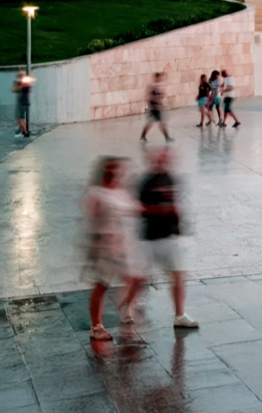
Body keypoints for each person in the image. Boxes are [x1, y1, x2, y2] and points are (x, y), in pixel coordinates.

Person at [84, 157, 145, 342]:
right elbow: (92, 219)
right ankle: (97, 326)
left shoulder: (121, 192)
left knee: (139, 277)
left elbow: (134, 210)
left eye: (119, 170)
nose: (117, 173)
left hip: (124, 246)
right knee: (102, 286)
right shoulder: (96, 193)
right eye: (113, 170)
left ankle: (125, 305)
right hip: (105, 249)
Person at [138, 148, 199, 329]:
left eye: (168, 159)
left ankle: (180, 314)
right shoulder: (147, 182)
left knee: (178, 275)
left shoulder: (173, 179)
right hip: (151, 238)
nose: (166, 162)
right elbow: (140, 208)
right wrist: (163, 210)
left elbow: (179, 204)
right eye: (162, 159)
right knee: (139, 278)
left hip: (171, 237)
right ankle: (128, 305)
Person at [140, 72, 171, 142]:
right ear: (156, 78)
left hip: (156, 107)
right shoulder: (153, 86)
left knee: (152, 123)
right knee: (160, 123)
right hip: (155, 108)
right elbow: (151, 97)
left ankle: (143, 135)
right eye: (159, 77)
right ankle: (167, 137)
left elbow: (158, 96)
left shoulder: (155, 86)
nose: (160, 79)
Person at [12, 69, 32, 138]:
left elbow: (14, 89)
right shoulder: (25, 83)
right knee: (21, 118)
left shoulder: (23, 83)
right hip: (23, 102)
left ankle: (25, 132)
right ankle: (23, 129)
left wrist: (18, 82)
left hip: (21, 102)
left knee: (19, 118)